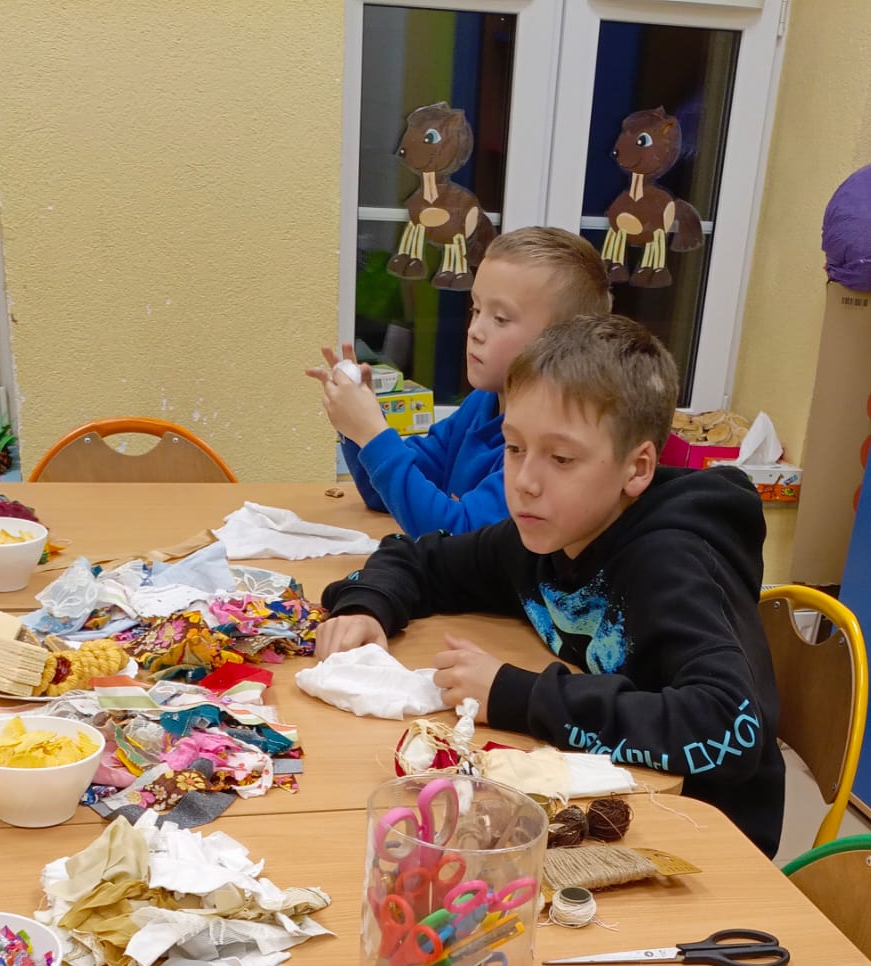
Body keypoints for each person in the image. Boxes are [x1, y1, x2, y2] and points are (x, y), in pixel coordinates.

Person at [316, 314, 785, 856]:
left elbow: (730, 728)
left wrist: (517, 695)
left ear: (637, 469)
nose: (525, 482)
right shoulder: (548, 533)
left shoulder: (673, 563)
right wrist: (367, 604)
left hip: (704, 839)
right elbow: (420, 557)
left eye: (561, 458)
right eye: (514, 448)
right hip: (598, 805)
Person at [306, 228, 610, 539]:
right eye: (476, 309)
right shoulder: (482, 402)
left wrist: (372, 432)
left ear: (561, 342)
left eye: (500, 318)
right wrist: (357, 425)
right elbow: (387, 493)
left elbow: (457, 535)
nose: (474, 330)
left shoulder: (545, 443)